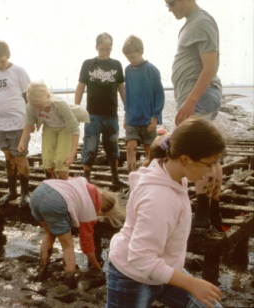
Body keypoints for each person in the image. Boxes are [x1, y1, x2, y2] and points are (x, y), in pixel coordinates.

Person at [106, 117, 225, 308]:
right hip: (132, 276)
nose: (212, 171)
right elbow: (141, 258)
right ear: (185, 159)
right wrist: (192, 283)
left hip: (162, 269)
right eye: (209, 164)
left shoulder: (172, 173)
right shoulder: (158, 198)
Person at [167, 0, 224, 230]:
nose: (169, 8)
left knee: (197, 151)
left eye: (171, 2)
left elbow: (211, 66)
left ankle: (202, 215)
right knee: (209, 153)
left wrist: (191, 100)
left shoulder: (201, 21)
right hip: (194, 97)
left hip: (199, 97)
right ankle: (211, 212)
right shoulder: (191, 24)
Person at [30, 176, 126, 289]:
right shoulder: (89, 211)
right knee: (68, 245)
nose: (98, 216)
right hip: (55, 202)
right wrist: (96, 266)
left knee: (50, 234)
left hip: (39, 192)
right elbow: (87, 244)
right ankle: (69, 283)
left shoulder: (82, 182)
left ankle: (41, 273)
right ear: (102, 209)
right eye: (100, 215)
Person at [75, 32, 128, 187]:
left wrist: (127, 108)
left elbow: (121, 88)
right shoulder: (88, 64)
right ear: (96, 47)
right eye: (102, 48)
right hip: (92, 115)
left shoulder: (117, 64)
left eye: (108, 48)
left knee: (112, 146)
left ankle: (115, 177)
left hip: (111, 114)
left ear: (111, 47)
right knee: (90, 146)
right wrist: (76, 108)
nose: (105, 51)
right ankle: (86, 178)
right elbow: (80, 87)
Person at [0, 40, 32, 207]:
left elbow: (29, 98)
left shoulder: (19, 72)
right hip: (0, 125)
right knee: (8, 157)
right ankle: (12, 192)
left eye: (2, 61)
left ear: (8, 56)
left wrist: (31, 121)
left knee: (20, 157)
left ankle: (25, 194)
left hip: (19, 123)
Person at [18, 81, 88, 180]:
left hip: (65, 128)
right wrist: (22, 141)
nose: (37, 108)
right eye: (35, 106)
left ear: (46, 98)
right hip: (49, 128)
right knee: (47, 162)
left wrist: (72, 153)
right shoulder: (31, 106)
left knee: (61, 162)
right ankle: (53, 186)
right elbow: (29, 124)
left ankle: (64, 186)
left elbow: (74, 129)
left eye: (39, 105)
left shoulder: (60, 104)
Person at [121, 35, 165, 173]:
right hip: (132, 118)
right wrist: (126, 115)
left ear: (141, 51)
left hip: (148, 119)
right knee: (130, 147)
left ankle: (152, 176)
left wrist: (155, 116)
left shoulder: (151, 69)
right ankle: (131, 176)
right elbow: (128, 94)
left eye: (133, 57)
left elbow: (159, 94)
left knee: (149, 151)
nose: (130, 60)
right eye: (128, 58)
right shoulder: (127, 70)